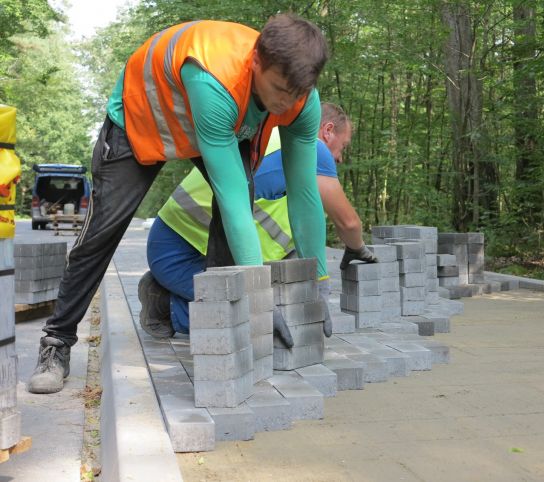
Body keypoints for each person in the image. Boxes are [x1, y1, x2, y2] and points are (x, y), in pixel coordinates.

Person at [28, 14, 329, 394]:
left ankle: (222, 330)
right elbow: (231, 195)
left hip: (216, 122)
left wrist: (319, 282)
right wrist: (261, 298)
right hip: (141, 121)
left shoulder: (301, 99)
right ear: (256, 62)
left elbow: (304, 192)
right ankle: (56, 344)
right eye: (278, 89)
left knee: (235, 208)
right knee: (102, 232)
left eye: (296, 94)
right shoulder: (214, 77)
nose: (286, 102)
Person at [142, 103, 377, 344]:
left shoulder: (274, 140)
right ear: (327, 131)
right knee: (255, 320)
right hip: (177, 251)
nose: (339, 158)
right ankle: (163, 302)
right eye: (343, 146)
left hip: (189, 248)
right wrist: (357, 248)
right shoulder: (313, 149)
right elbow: (348, 222)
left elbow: (295, 232)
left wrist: (307, 288)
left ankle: (176, 292)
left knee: (283, 308)